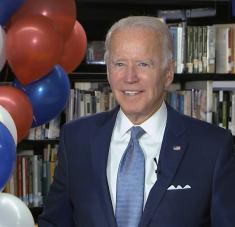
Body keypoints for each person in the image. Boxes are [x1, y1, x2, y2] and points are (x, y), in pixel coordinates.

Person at [38, 16, 235, 227]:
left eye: (143, 64)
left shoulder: (213, 147)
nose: (129, 77)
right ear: (108, 71)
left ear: (168, 72)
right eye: (119, 63)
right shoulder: (76, 139)